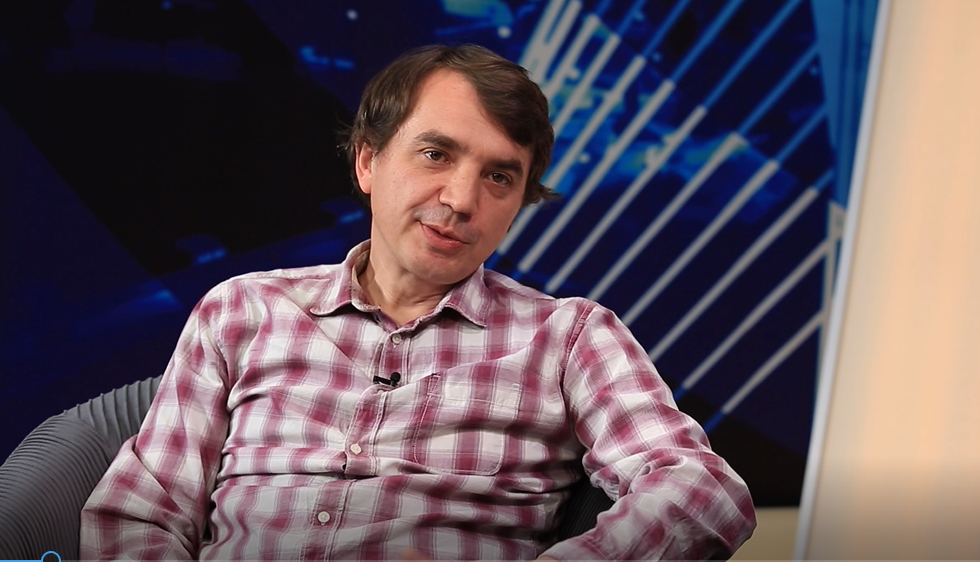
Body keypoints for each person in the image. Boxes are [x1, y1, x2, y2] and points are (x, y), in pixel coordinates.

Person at [80, 44, 755, 561]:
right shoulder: (242, 310)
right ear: (368, 162)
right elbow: (142, 514)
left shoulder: (570, 336)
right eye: (436, 155)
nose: (462, 200)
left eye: (499, 176)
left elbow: (702, 491)